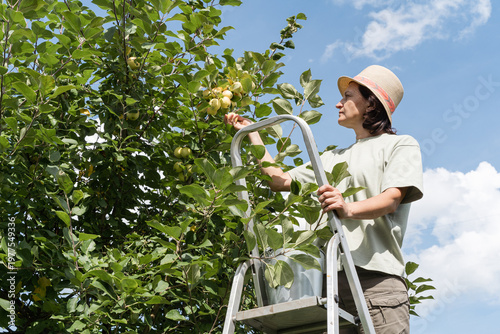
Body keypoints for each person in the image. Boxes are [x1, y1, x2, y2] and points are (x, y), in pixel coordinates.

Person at [224, 65, 423, 334]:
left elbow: (391, 199)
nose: (338, 103)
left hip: (375, 283)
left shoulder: (400, 145)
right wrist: (252, 133)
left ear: (371, 103)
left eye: (348, 96)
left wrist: (347, 208)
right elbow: (278, 180)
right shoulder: (331, 158)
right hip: (329, 283)